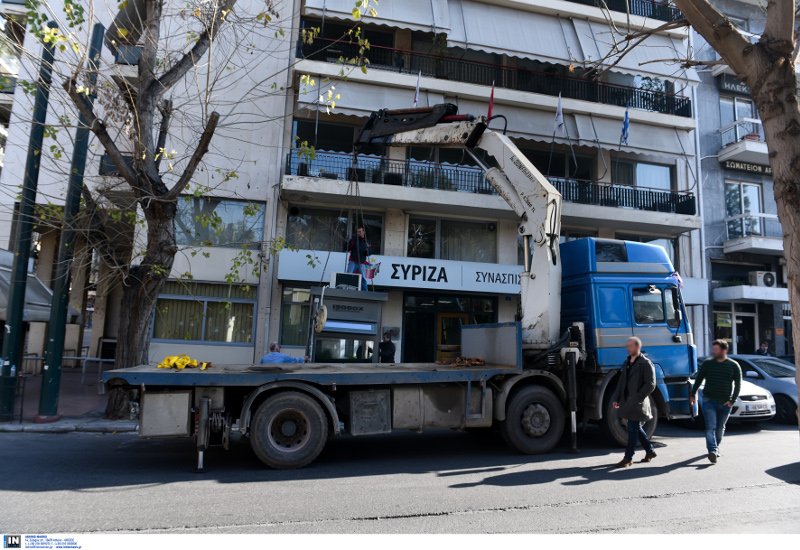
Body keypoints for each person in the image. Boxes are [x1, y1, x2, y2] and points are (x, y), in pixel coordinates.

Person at [690, 339, 742, 464]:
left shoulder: (734, 365)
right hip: (709, 400)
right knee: (710, 427)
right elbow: (698, 379)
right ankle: (712, 450)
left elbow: (738, 384)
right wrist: (693, 394)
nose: (713, 351)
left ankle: (715, 447)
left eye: (716, 349)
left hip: (725, 403)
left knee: (720, 428)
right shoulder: (708, 364)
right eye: (713, 349)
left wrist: (732, 400)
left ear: (724, 350)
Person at [611, 336, 657, 468]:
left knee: (632, 430)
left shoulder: (646, 363)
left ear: (637, 347)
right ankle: (650, 451)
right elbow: (621, 383)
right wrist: (616, 398)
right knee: (636, 428)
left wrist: (638, 397)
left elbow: (651, 384)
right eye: (627, 346)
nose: (627, 348)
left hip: (638, 403)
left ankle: (628, 458)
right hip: (628, 401)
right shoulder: (627, 362)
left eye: (630, 346)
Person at [347, 226, 371, 291]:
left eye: (360, 231)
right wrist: (348, 243)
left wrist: (368, 249)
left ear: (363, 232)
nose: (359, 233)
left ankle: (365, 292)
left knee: (363, 278)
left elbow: (369, 253)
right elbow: (348, 249)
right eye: (358, 232)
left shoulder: (366, 241)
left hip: (361, 262)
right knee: (348, 275)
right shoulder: (353, 239)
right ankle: (346, 290)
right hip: (353, 261)